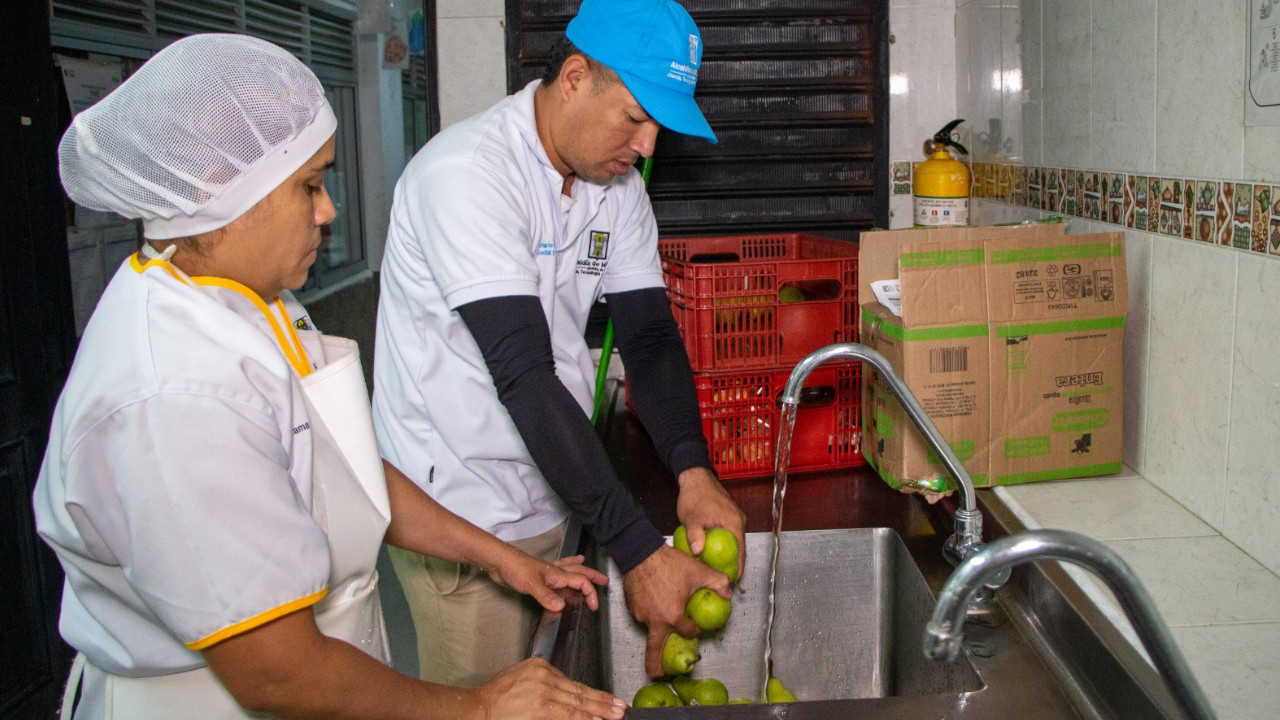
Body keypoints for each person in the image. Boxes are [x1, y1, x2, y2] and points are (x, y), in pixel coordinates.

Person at [33, 33, 624, 720]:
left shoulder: (249, 303)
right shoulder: (175, 392)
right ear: (220, 190)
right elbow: (278, 674)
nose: (328, 211)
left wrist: (499, 558)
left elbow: (341, 473)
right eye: (309, 186)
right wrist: (480, 708)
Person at [373, 0, 747, 684]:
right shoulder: (467, 174)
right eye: (635, 118)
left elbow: (650, 338)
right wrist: (639, 549)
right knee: (485, 701)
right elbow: (523, 373)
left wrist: (694, 472)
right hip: (465, 510)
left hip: (560, 485)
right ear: (574, 77)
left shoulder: (616, 187)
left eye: (658, 127)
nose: (648, 146)